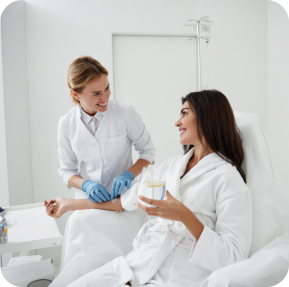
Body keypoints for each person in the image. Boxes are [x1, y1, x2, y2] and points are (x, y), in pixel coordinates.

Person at [46, 90, 252, 287]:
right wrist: (70, 204)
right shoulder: (171, 167)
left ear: (207, 117)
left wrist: (184, 216)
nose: (177, 122)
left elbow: (234, 255)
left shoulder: (228, 178)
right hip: (136, 265)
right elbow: (125, 201)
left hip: (177, 276)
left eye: (184, 113)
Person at [55, 56, 155, 277]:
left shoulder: (125, 113)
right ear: (75, 93)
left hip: (124, 201)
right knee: (79, 231)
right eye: (96, 93)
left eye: (107, 89)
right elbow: (66, 171)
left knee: (123, 262)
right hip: (88, 202)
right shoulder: (67, 124)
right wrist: (86, 184)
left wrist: (129, 174)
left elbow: (148, 152)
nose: (105, 97)